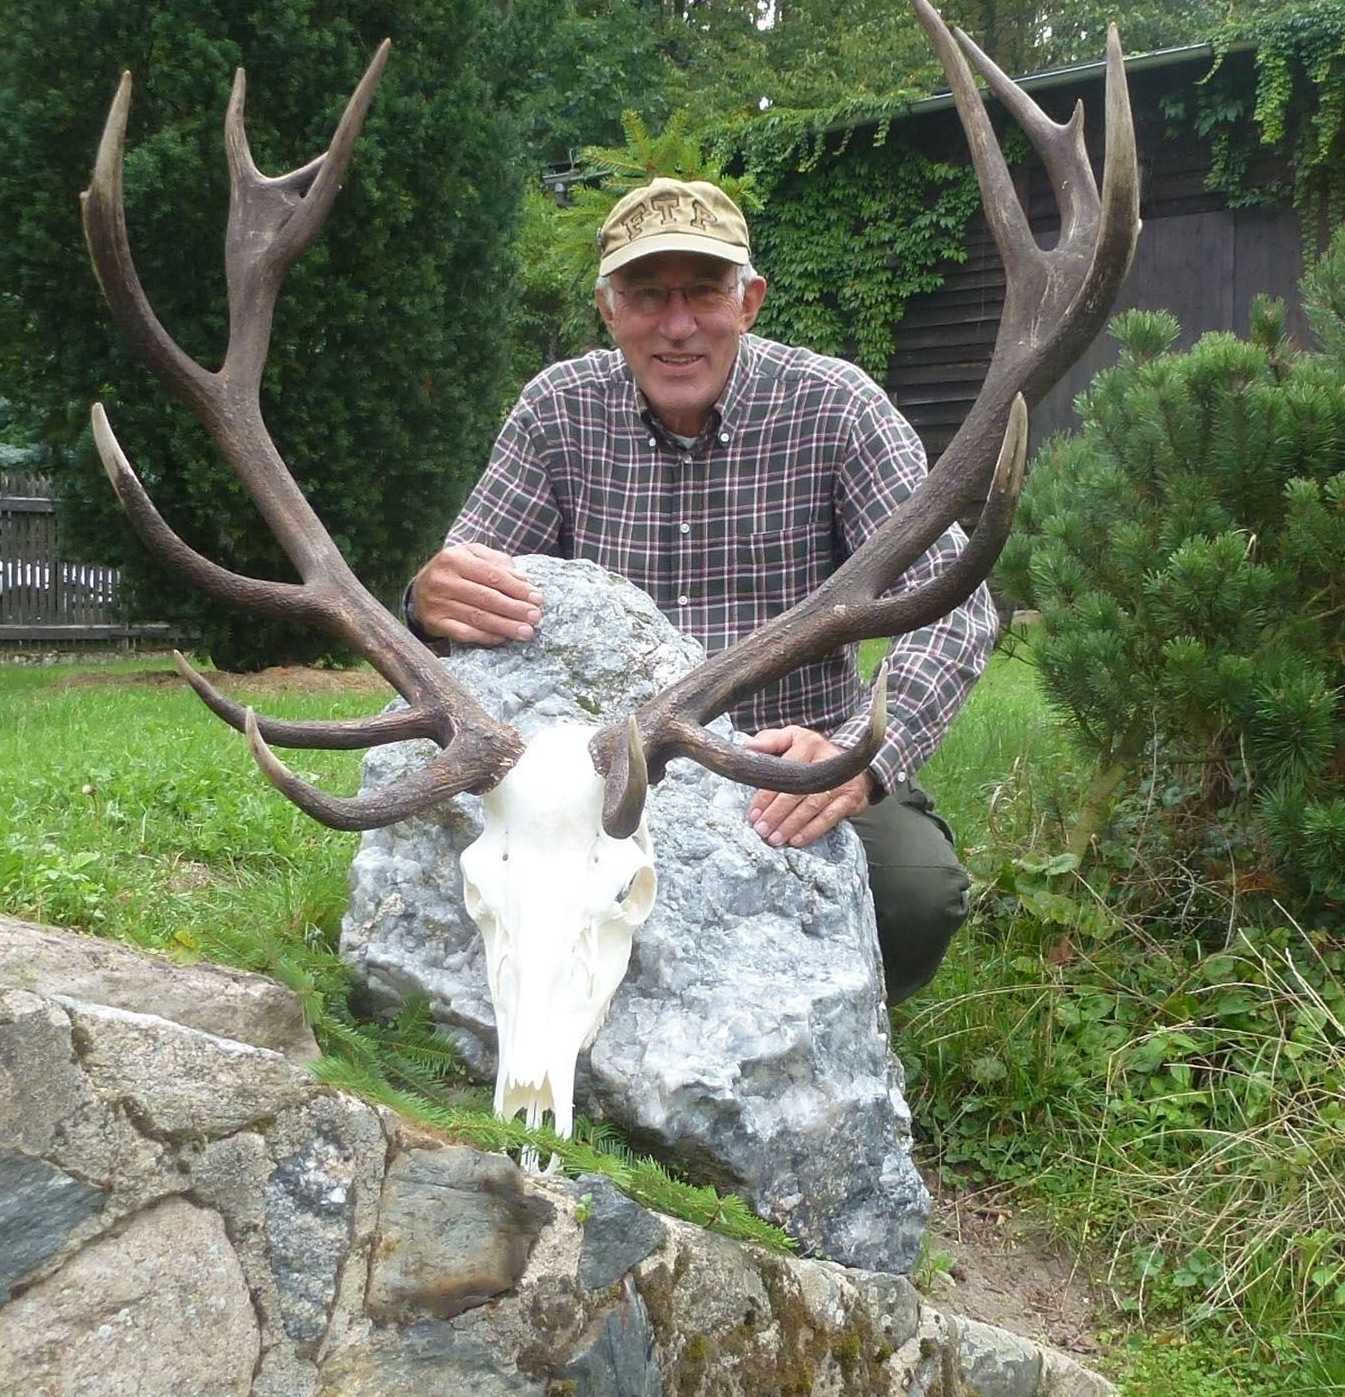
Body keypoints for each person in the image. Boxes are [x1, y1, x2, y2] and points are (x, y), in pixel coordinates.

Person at [404, 177, 999, 1004]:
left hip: (786, 778)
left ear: (748, 301)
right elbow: (466, 583)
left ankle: (826, 1028)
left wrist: (856, 761)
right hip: (603, 780)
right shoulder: (557, 413)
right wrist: (428, 600)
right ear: (608, 310)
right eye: (648, 294)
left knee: (911, 894)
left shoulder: (836, 408)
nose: (677, 325)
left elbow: (957, 603)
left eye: (705, 292)